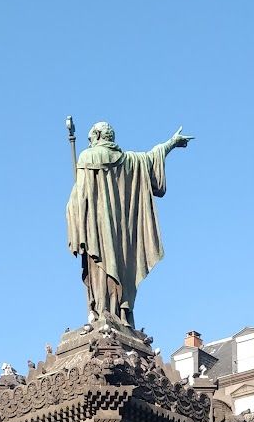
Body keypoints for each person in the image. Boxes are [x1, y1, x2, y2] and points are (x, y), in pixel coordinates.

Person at [66, 121, 192, 325]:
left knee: (100, 268)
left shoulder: (87, 157)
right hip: (121, 238)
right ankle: (120, 313)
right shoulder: (129, 161)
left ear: (97, 135)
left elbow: (78, 198)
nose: (89, 143)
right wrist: (171, 143)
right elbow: (152, 157)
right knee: (120, 268)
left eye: (90, 139)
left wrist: (75, 222)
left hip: (97, 232)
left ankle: (101, 311)